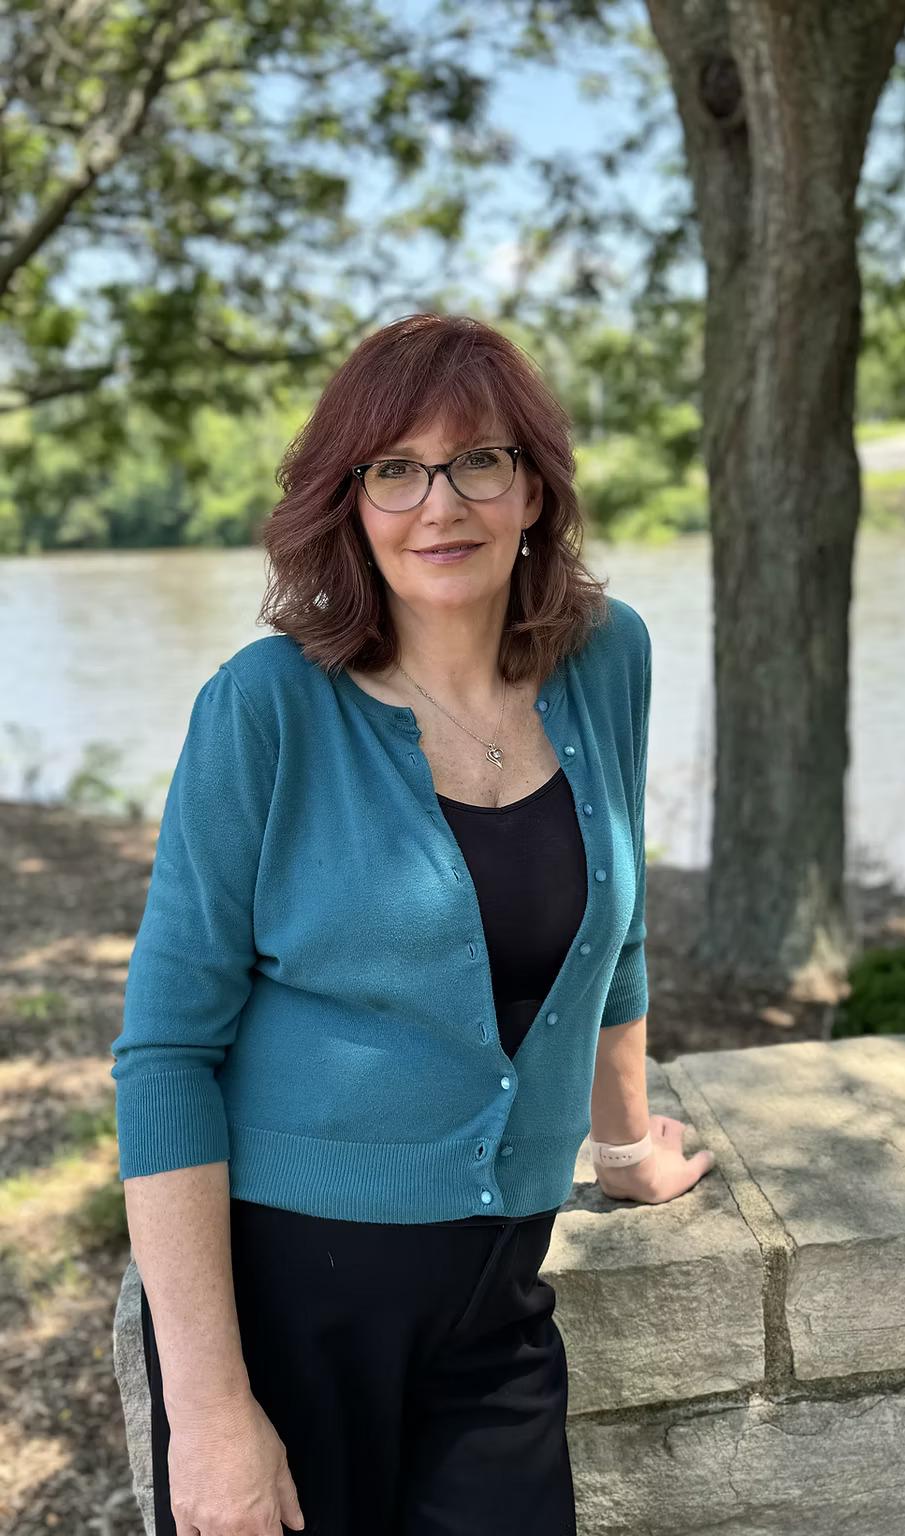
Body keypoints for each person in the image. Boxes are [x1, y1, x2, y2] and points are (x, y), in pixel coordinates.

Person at [111, 312, 715, 1536]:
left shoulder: (608, 661)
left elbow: (618, 930)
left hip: (498, 1304)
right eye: (395, 468)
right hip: (287, 1311)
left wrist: (625, 1144)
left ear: (534, 488)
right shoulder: (264, 708)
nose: (438, 504)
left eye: (478, 460)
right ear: (351, 499)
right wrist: (215, 1415)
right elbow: (165, 1056)